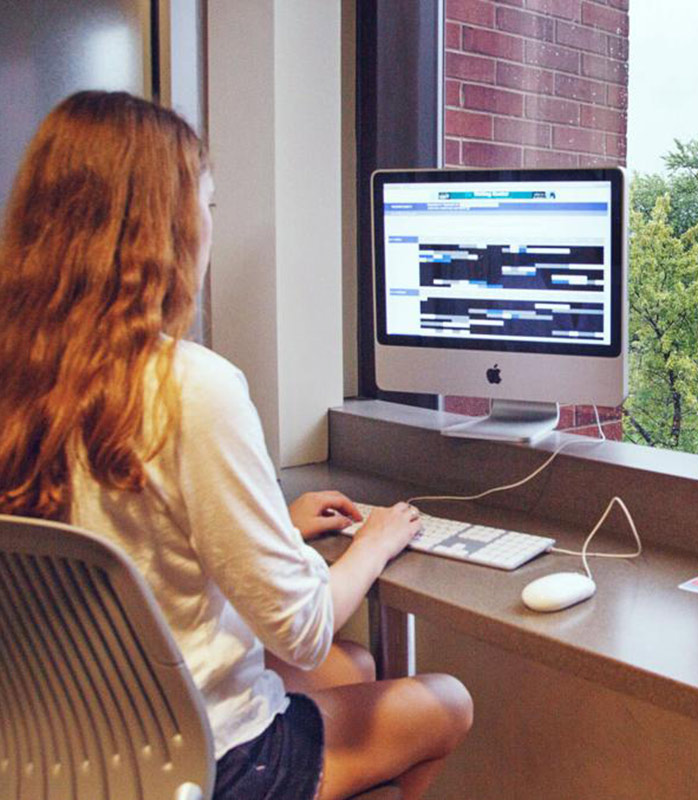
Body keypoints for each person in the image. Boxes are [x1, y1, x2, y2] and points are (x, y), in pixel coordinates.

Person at [0, 91, 471, 800]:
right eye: (206, 207)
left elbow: (122, 546)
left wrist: (274, 532)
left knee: (355, 668)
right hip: (204, 765)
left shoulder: (21, 379)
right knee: (446, 702)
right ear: (164, 228)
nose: (209, 230)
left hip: (56, 755)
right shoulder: (191, 387)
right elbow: (302, 630)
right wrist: (376, 538)